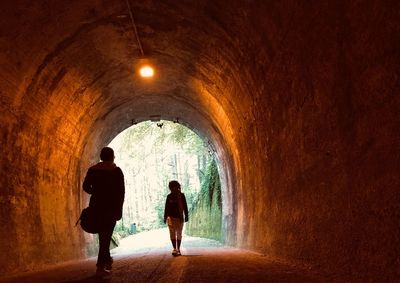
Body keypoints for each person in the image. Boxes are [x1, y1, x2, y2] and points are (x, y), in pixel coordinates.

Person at [83, 147, 125, 276]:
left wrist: (95, 192)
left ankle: (106, 260)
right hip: (111, 208)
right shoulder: (116, 171)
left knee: (104, 236)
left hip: (96, 206)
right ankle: (101, 265)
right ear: (112, 157)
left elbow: (85, 187)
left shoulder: (93, 170)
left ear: (101, 157)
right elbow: (121, 192)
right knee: (105, 237)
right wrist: (119, 210)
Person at [163, 180, 188, 256]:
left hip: (180, 218)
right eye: (172, 187)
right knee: (172, 233)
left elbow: (185, 206)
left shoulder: (182, 196)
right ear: (170, 188)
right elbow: (166, 208)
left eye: (175, 186)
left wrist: (186, 215)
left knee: (179, 233)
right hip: (170, 218)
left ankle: (179, 249)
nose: (173, 188)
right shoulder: (169, 196)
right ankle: (174, 249)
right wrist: (165, 217)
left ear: (177, 187)